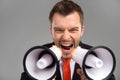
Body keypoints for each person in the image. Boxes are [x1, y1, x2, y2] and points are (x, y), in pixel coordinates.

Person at [20, 0, 115, 80]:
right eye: (59, 30)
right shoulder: (34, 60)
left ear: (81, 31)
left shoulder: (100, 61)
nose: (66, 37)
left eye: (73, 30)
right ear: (51, 31)